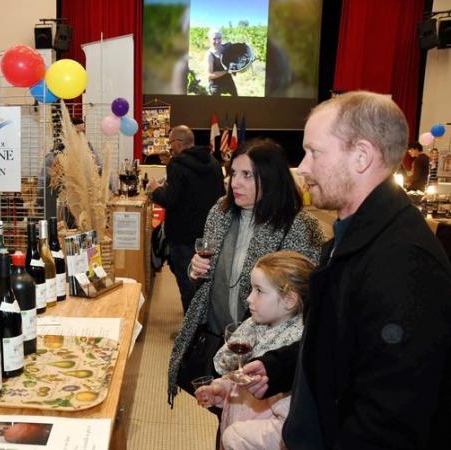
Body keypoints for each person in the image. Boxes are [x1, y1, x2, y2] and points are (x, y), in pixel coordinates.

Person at [242, 91, 451, 449]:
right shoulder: (351, 234)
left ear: (361, 156)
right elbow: (339, 345)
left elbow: (389, 417)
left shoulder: (404, 260)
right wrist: (280, 367)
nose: (303, 167)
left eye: (314, 152)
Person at [167, 137, 324, 406]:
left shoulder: (298, 225)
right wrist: (196, 271)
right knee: (223, 411)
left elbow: (303, 299)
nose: (234, 183)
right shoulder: (220, 211)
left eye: (247, 175)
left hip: (266, 348)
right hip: (218, 334)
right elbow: (209, 281)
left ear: (271, 178)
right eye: (234, 173)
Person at [195, 251, 315, 450]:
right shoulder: (255, 326)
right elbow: (243, 381)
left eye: (259, 290)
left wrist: (238, 437)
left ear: (289, 301)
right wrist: (223, 390)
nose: (249, 299)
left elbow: (287, 427)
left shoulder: (294, 359)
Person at [148, 125, 225, 314]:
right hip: (209, 234)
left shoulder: (177, 165)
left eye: (170, 143)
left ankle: (191, 333)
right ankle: (204, 324)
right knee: (204, 281)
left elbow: (170, 200)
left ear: (178, 143)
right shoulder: (214, 162)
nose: (169, 147)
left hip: (183, 236)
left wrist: (155, 190)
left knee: (185, 281)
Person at [206, 30, 238, 97]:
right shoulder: (209, 55)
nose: (217, 41)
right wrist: (227, 71)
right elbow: (209, 75)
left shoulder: (226, 48)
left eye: (219, 38)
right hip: (216, 84)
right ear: (209, 39)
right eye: (214, 39)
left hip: (228, 80)